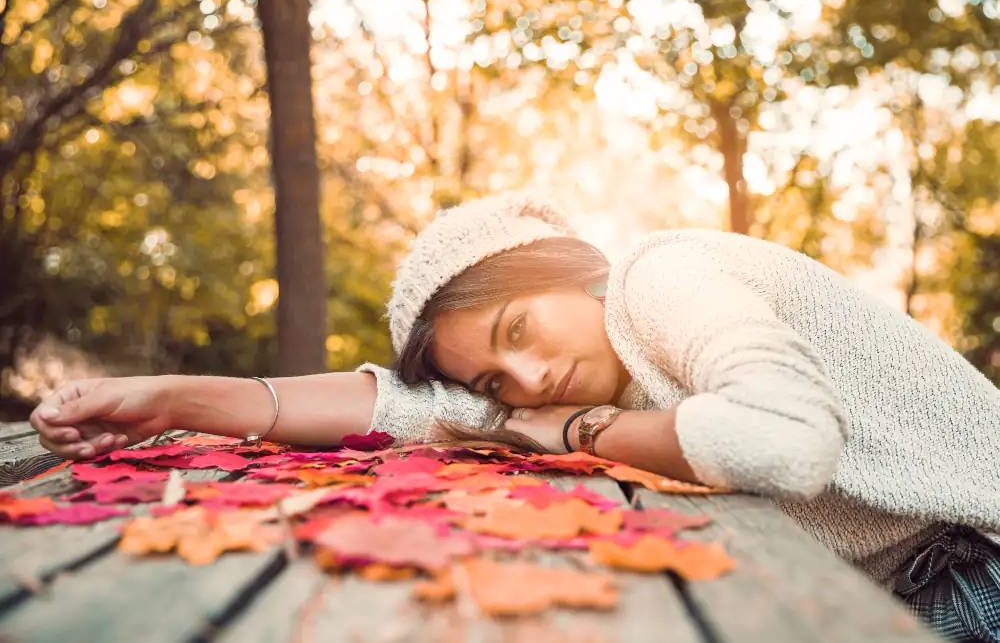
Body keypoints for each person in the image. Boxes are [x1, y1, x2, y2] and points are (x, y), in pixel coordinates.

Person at [29, 192, 1000, 642]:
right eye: (495, 377)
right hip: (902, 596)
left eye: (518, 327)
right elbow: (390, 404)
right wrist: (165, 397)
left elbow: (785, 443)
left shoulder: (661, 277)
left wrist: (583, 434)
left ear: (562, 270)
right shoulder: (559, 375)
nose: (529, 376)